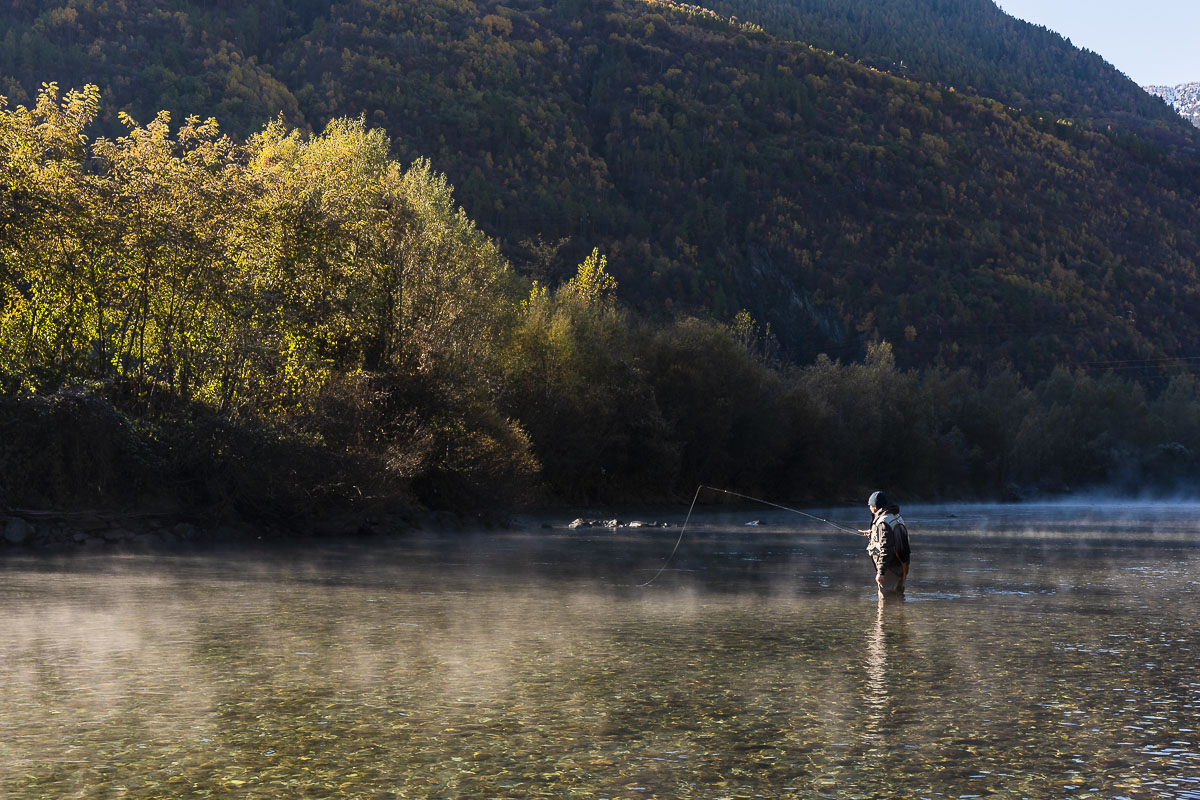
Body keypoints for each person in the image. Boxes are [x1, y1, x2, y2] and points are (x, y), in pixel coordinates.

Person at [859, 490, 910, 601]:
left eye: (870, 505)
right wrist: (873, 533)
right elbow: (892, 537)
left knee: (886, 603)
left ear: (875, 506)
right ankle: (900, 618)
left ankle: (883, 619)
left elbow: (886, 548)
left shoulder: (882, 522)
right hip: (902, 564)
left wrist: (881, 572)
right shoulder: (895, 516)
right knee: (899, 598)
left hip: (890, 568)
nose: (869, 508)